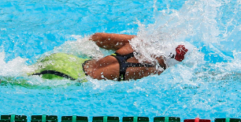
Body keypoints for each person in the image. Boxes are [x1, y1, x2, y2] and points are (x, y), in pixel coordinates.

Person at [30, 32, 188, 82]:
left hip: (64, 59)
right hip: (66, 77)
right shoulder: (154, 69)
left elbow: (98, 38)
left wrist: (95, 55)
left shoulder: (138, 43)